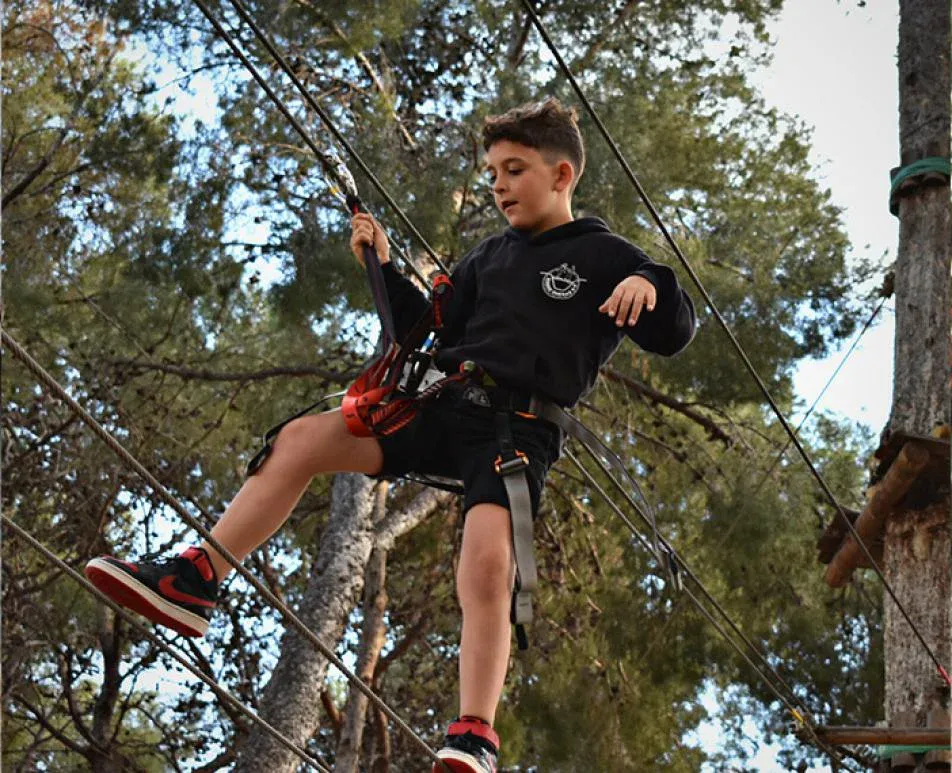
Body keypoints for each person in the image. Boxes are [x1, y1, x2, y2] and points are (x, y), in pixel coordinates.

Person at [85, 97, 696, 773]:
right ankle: (197, 577)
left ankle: (474, 732)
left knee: (488, 559)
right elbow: (424, 331)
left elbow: (673, 327)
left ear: (560, 176)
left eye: (514, 169)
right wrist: (379, 265)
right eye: (492, 171)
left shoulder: (603, 254)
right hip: (443, 406)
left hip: (518, 427)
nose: (498, 184)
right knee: (300, 440)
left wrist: (648, 284)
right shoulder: (488, 256)